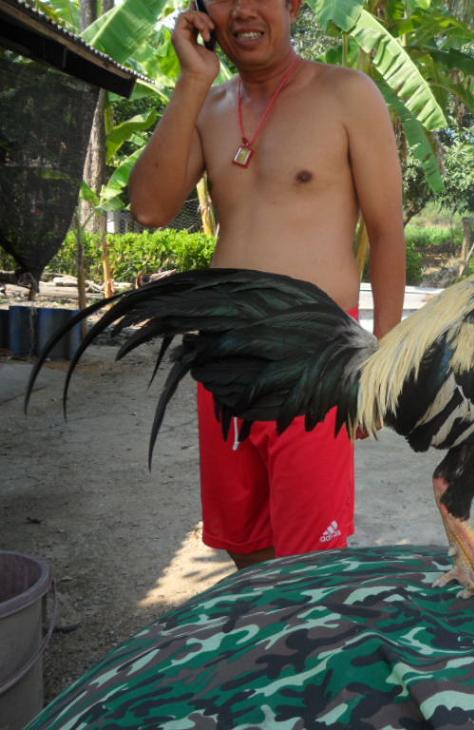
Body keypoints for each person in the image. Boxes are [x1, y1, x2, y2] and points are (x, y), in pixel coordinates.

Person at [127, 0, 407, 569]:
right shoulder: (207, 107)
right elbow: (150, 209)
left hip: (313, 354)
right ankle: (267, 628)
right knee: (245, 540)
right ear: (202, 13)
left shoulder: (347, 95)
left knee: (311, 554)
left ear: (294, 5)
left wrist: (384, 363)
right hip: (222, 350)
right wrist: (193, 80)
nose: (242, 11)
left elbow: (386, 232)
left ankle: (303, 628)